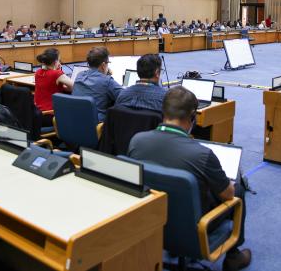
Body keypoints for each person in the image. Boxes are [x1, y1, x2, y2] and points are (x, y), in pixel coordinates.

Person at [128, 86, 251, 271]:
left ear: (163, 112)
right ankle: (233, 256)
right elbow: (228, 195)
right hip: (194, 229)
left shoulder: (136, 140)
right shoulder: (202, 155)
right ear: (192, 118)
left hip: (149, 221)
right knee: (237, 190)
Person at [72, 47, 122, 122]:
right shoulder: (107, 81)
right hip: (96, 126)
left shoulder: (79, 75)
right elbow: (125, 96)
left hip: (76, 121)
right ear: (103, 65)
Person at [34, 48, 73, 122]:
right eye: (59, 60)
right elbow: (75, 86)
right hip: (50, 115)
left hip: (37, 114)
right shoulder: (57, 74)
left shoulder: (38, 72)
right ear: (55, 62)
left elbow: (50, 87)